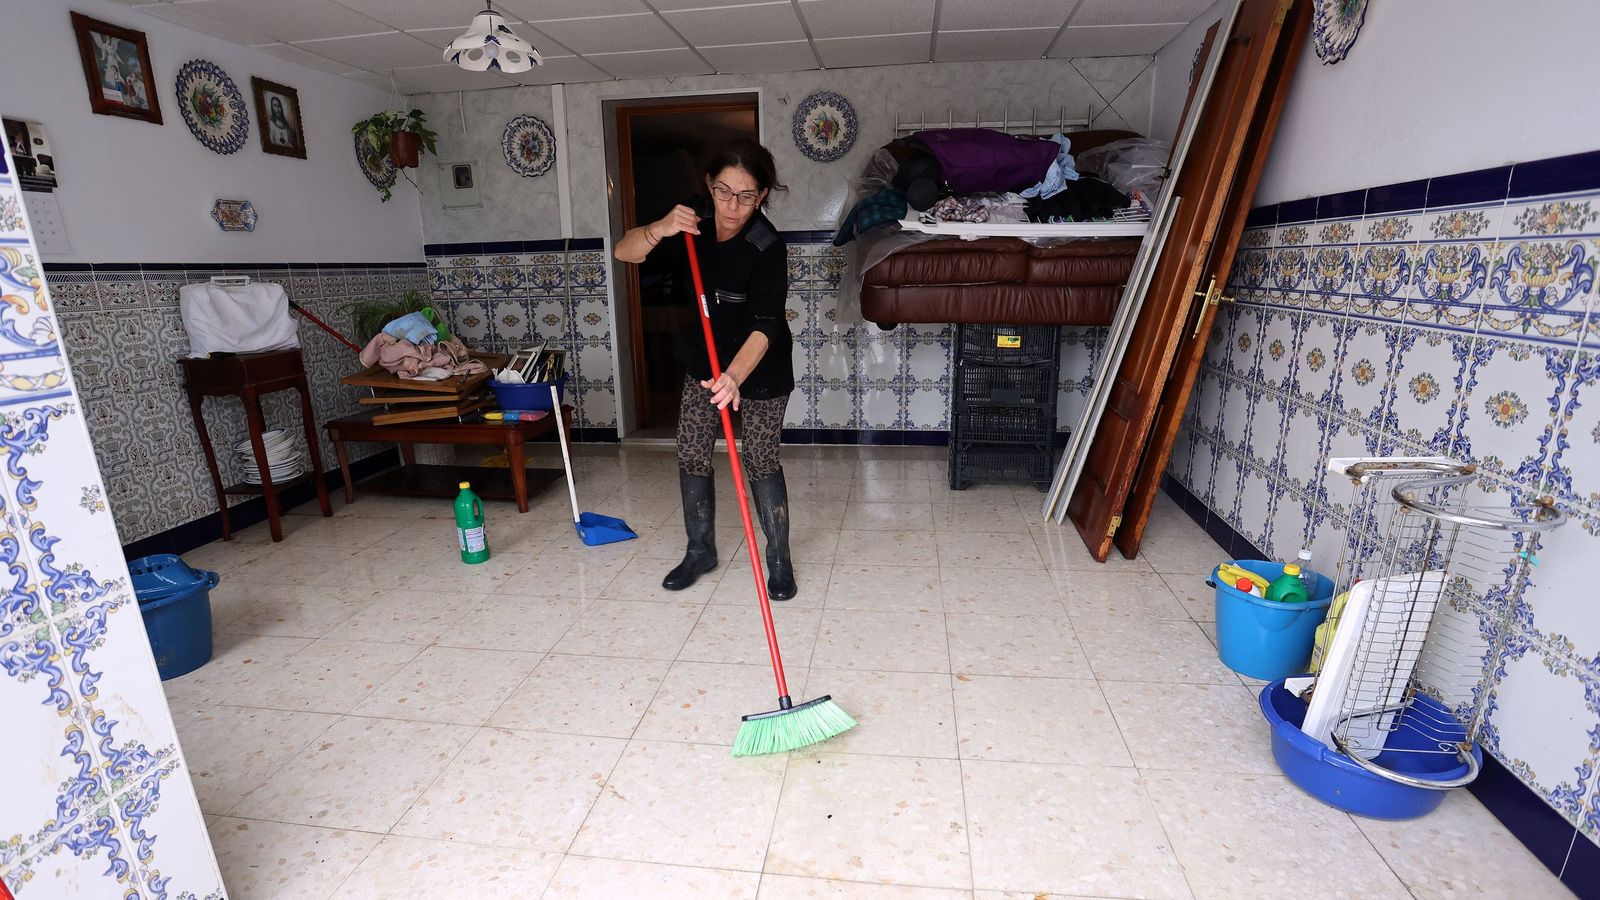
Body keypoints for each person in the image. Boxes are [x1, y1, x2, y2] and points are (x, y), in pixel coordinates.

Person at [615, 138, 798, 600]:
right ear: (709, 185)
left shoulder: (766, 247)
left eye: (747, 195)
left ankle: (778, 559)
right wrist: (660, 227)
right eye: (723, 191)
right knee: (692, 450)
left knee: (759, 459)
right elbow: (625, 253)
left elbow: (766, 325)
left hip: (760, 366)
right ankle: (700, 551)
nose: (732, 206)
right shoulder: (690, 222)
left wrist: (734, 377)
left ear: (763, 195)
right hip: (703, 360)